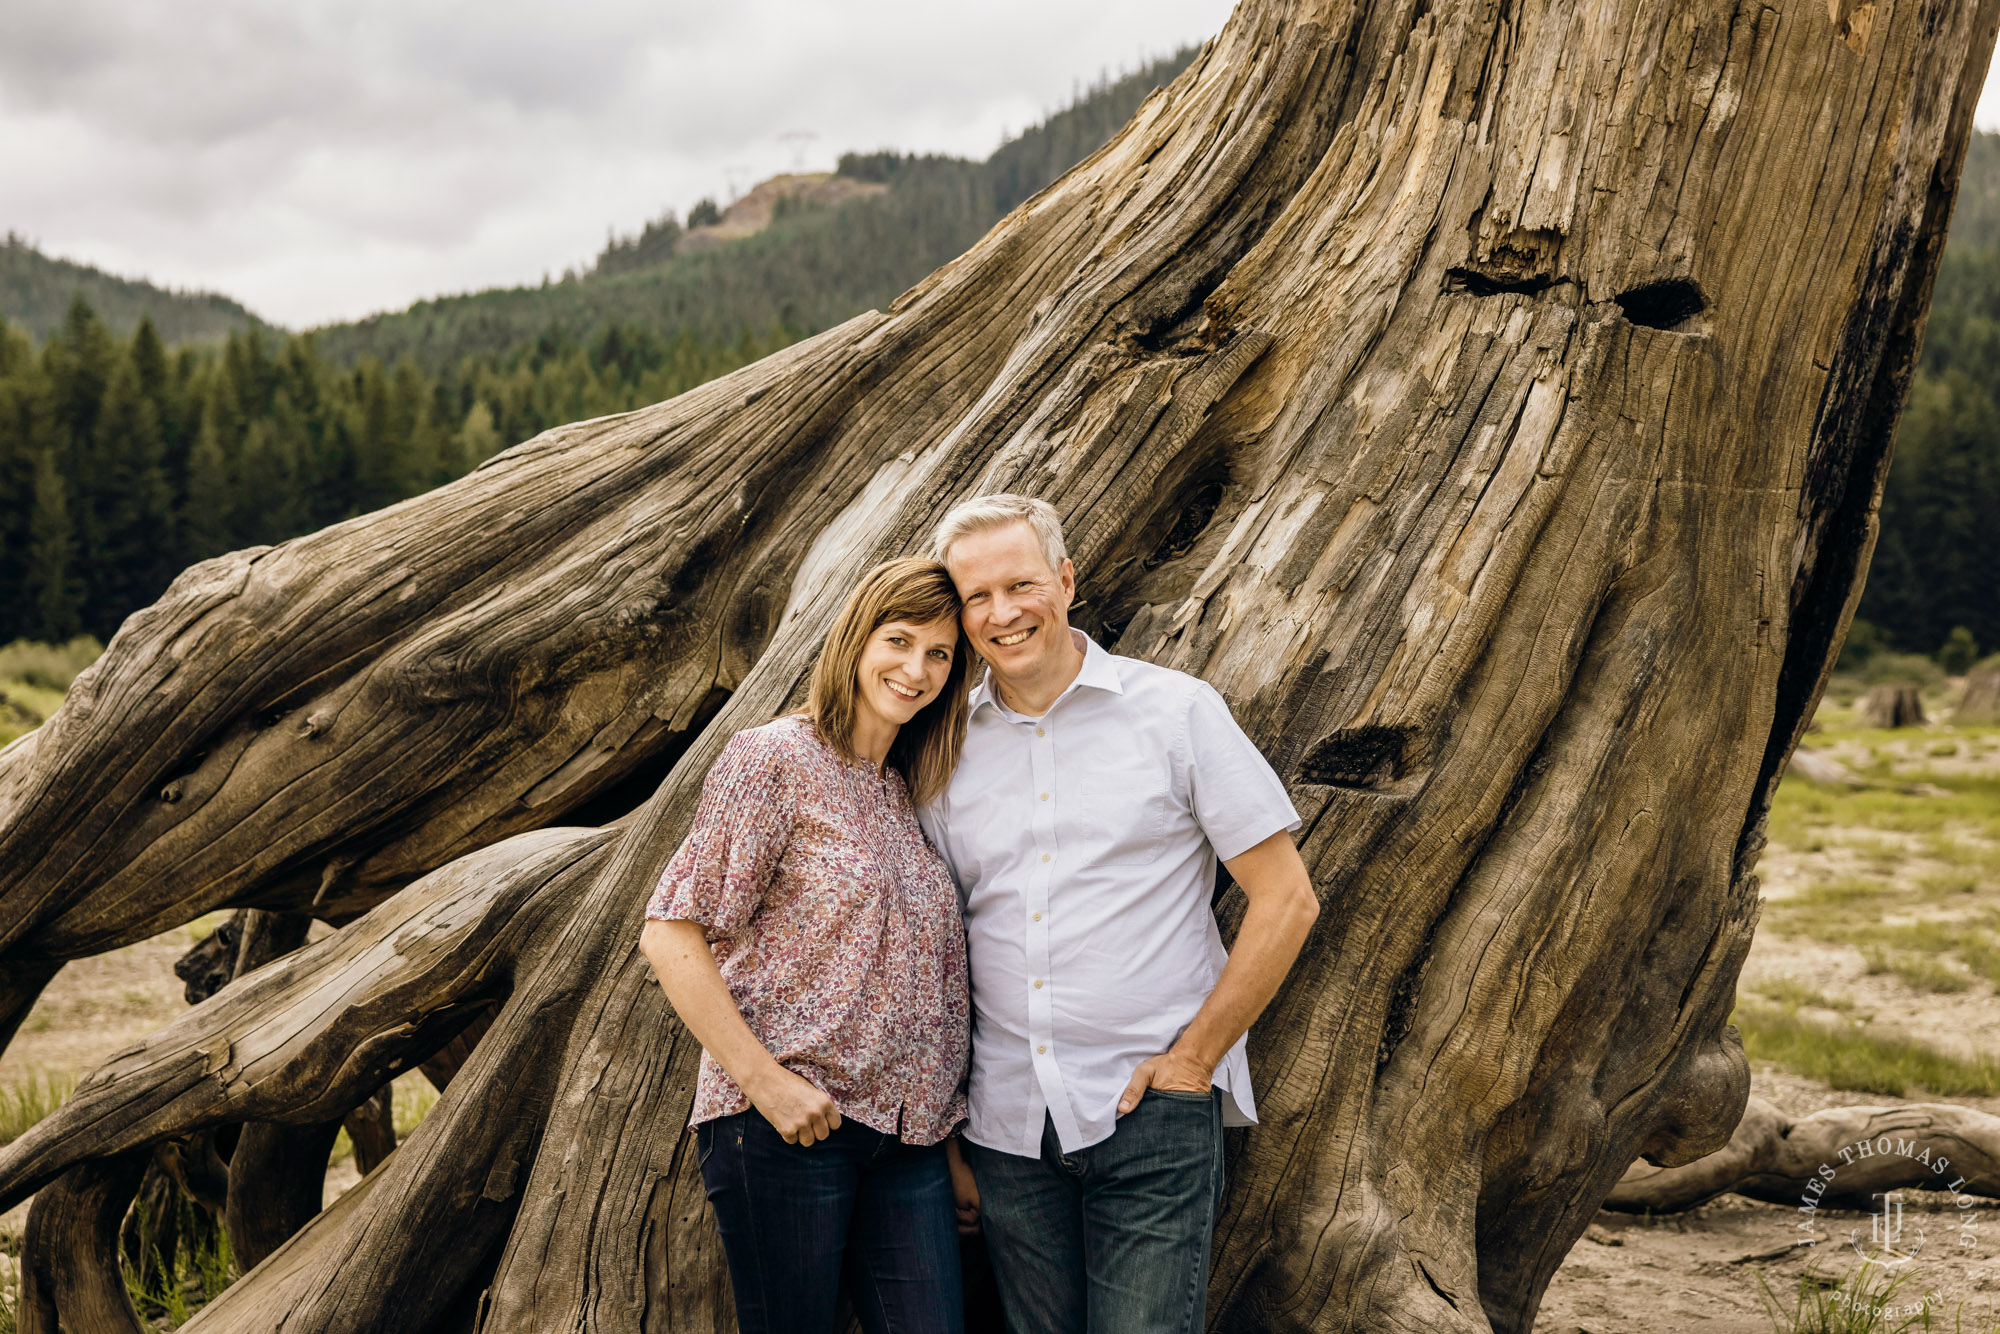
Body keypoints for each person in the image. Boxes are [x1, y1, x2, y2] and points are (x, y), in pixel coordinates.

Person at [920, 494, 1320, 1334]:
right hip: (1005, 1127)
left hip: (1151, 1112)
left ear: (1065, 581)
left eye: (1021, 584)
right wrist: (951, 1133)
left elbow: (1287, 899)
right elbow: (936, 944)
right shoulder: (945, 744)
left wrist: (1193, 1061)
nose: (1002, 613)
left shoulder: (1175, 712)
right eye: (976, 597)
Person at [639, 557, 977, 1334]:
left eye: (939, 654)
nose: (916, 668)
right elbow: (670, 933)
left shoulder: (903, 788)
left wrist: (947, 1142)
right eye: (899, 640)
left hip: (909, 1142)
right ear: (857, 638)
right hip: (790, 1128)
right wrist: (767, 1085)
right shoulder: (775, 759)